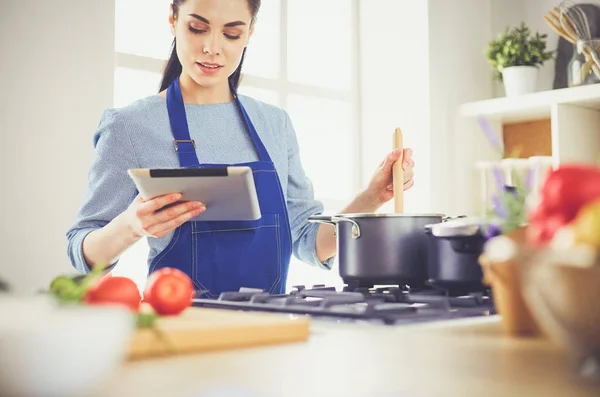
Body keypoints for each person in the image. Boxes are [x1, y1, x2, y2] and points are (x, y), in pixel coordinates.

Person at [66, 0, 415, 298]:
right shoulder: (130, 125)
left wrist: (372, 197)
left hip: (268, 335)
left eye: (231, 33)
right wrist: (131, 225)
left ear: (249, 32)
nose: (212, 48)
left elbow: (309, 240)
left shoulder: (274, 124)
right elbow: (81, 251)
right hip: (179, 330)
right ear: (173, 21)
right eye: (197, 29)